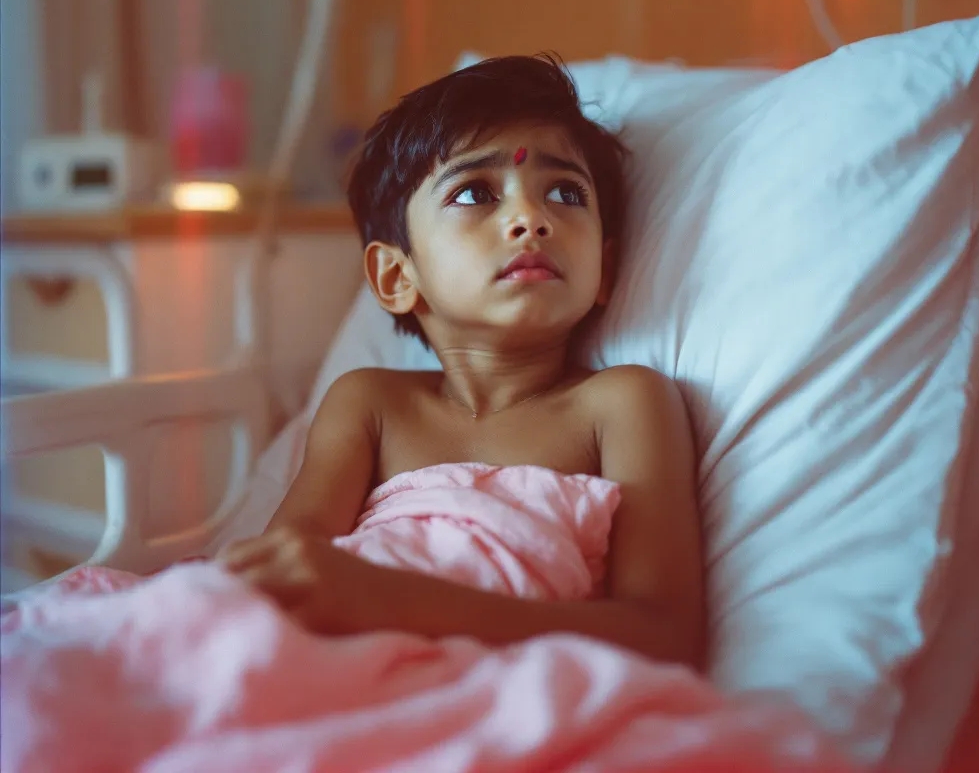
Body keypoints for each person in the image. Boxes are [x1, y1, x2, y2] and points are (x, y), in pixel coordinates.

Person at [218, 54, 704, 667]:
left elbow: (665, 637)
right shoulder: (370, 405)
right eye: (475, 192)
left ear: (604, 269)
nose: (532, 219)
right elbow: (285, 571)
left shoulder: (623, 404)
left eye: (565, 193)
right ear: (397, 276)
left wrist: (396, 601)